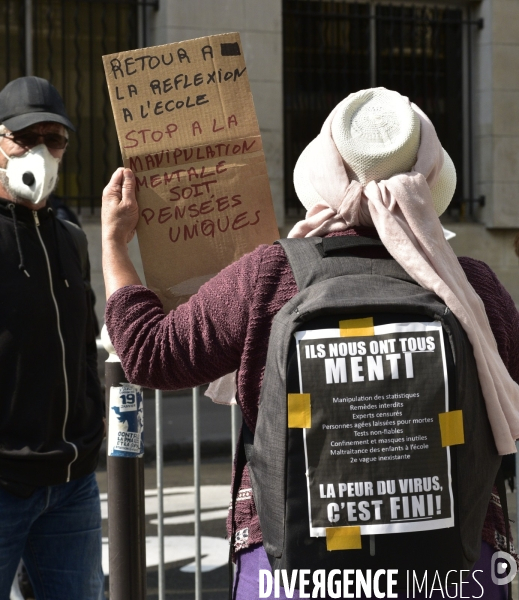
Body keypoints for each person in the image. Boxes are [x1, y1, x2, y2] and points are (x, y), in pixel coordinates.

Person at [102, 88, 519, 599]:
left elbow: (148, 352)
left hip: (295, 569)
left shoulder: (271, 275)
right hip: (452, 570)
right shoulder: (473, 289)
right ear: (431, 174)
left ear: (323, 169)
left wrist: (115, 246)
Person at [0, 76, 104, 599]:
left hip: (72, 486)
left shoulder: (70, 239)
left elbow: (84, 344)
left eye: (54, 139)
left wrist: (90, 432)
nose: (41, 152)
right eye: (25, 137)